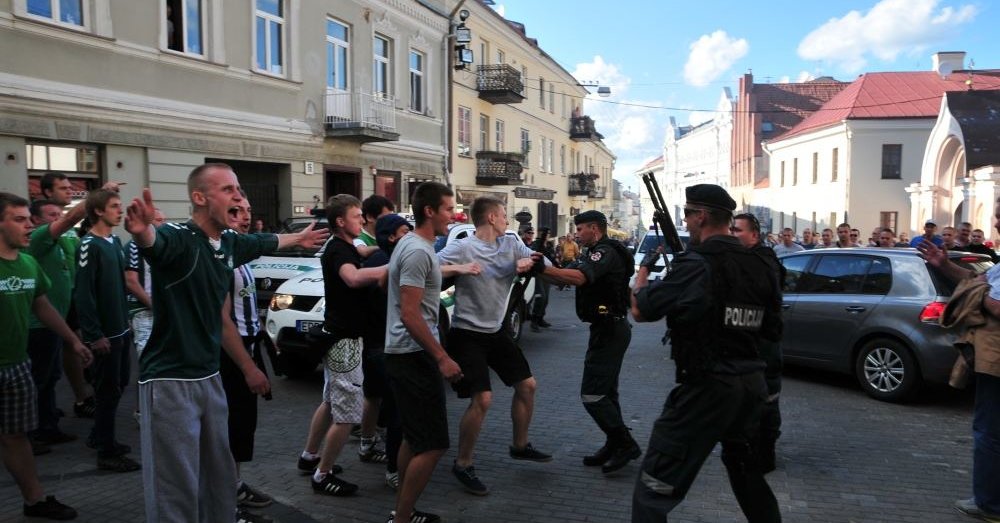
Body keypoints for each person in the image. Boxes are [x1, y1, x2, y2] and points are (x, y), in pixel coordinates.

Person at [124, 163, 329, 522]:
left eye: (239, 188)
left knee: (219, 474)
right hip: (171, 378)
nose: (238, 194)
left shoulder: (230, 242)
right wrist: (143, 233)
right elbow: (157, 243)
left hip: (209, 375)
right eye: (227, 189)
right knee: (177, 483)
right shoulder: (180, 237)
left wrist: (299, 239)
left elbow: (264, 241)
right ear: (199, 198)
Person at [630, 184, 782, 523]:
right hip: (751, 384)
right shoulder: (762, 264)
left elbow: (641, 310)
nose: (685, 222)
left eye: (687, 214)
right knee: (746, 472)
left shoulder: (698, 263)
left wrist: (642, 276)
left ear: (701, 216)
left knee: (655, 484)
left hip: (708, 387)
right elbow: (773, 330)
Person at [437, 197, 552, 496]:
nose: (506, 220)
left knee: (527, 385)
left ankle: (520, 445)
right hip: (466, 333)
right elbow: (431, 266)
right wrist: (460, 269)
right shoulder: (462, 246)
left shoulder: (512, 244)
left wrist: (531, 262)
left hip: (496, 332)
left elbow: (544, 261)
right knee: (483, 399)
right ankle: (463, 464)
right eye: (503, 215)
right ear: (490, 217)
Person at [0, 192, 93, 520]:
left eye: (29, 219)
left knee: (16, 436)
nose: (29, 226)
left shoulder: (27, 263)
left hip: (16, 366)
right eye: (19, 219)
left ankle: (35, 500)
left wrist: (72, 341)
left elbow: (42, 304)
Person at [535, 210, 639, 475]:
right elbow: (562, 274)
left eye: (580, 229)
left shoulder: (604, 252)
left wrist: (542, 268)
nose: (577, 233)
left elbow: (579, 277)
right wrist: (538, 267)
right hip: (605, 328)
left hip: (611, 329)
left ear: (595, 228)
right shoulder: (591, 252)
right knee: (607, 392)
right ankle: (613, 443)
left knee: (593, 394)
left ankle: (626, 444)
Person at [383, 182, 463, 523]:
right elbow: (410, 313)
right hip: (412, 354)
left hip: (407, 353)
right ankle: (402, 517)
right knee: (433, 444)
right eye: (448, 209)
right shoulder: (416, 250)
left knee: (415, 440)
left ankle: (402, 509)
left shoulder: (416, 245)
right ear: (429, 211)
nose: (453, 215)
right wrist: (442, 357)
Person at [916, 201, 1000, 522]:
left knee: (989, 432)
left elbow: (995, 303)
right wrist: (942, 264)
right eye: (997, 216)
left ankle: (990, 504)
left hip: (996, 359)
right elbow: (976, 278)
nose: (998, 223)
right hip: (990, 356)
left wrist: (981, 296)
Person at [303, 194, 388, 498]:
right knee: (348, 414)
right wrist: (389, 269)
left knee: (330, 401)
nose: (362, 221)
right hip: (345, 341)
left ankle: (310, 456)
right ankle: (322, 475)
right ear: (341, 221)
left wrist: (385, 248)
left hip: (339, 336)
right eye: (356, 216)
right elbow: (352, 278)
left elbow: (361, 250)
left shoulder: (345, 246)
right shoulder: (339, 250)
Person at [72, 189, 140, 473]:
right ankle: (106, 450)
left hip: (120, 329)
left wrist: (124, 322)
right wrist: (93, 334)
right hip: (104, 335)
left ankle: (101, 434)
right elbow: (84, 294)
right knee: (107, 390)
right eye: (114, 206)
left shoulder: (114, 241)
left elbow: (120, 286)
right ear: (98, 211)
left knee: (119, 384)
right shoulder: (89, 244)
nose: (120, 211)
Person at [222, 198, 275, 521]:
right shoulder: (222, 259)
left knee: (242, 427)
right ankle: (225, 502)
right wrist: (247, 366)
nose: (244, 219)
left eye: (247, 213)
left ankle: (234, 484)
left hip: (248, 345)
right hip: (230, 354)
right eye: (235, 213)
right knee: (229, 427)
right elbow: (222, 321)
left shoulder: (240, 257)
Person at [35, 173, 97, 422]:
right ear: (48, 192)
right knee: (47, 364)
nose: (69, 191)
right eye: (63, 188)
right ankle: (44, 418)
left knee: (73, 348)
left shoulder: (67, 226)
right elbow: (72, 216)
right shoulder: (48, 227)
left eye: (71, 187)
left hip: (71, 298)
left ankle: (77, 398)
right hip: (48, 306)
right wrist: (100, 193)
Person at [360, 213, 412, 491]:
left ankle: (368, 445)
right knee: (397, 412)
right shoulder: (387, 263)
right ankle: (394, 469)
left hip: (376, 344)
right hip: (385, 347)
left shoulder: (378, 258)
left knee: (375, 398)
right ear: (391, 236)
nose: (410, 236)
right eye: (405, 231)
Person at [731, 213, 784, 474]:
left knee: (767, 399)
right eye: (731, 229)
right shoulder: (745, 259)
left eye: (738, 230)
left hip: (764, 343)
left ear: (754, 234)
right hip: (750, 342)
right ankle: (752, 447)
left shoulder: (764, 260)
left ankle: (766, 453)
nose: (733, 234)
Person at [529, 226, 556, 331]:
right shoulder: (536, 245)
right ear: (539, 233)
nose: (547, 235)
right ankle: (534, 322)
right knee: (541, 297)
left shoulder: (548, 245)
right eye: (545, 233)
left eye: (548, 233)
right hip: (538, 274)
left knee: (546, 298)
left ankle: (540, 318)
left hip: (548, 273)